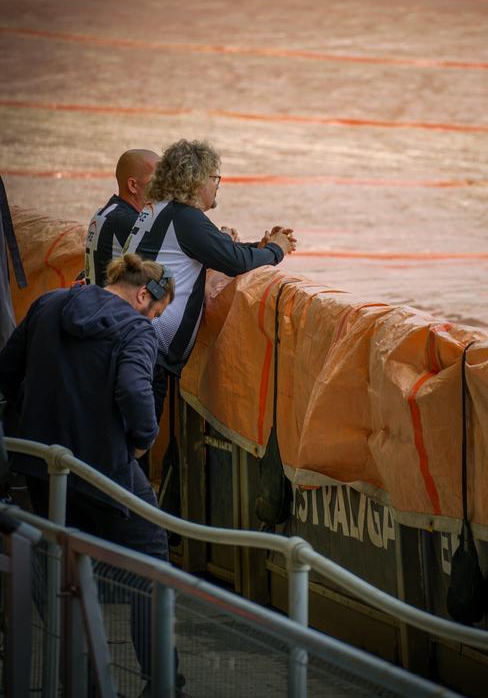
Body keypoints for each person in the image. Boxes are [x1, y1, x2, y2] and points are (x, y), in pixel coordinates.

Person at [0, 253, 180, 692]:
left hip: (44, 466)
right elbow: (135, 395)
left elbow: (7, 371)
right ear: (142, 295)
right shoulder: (136, 329)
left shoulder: (48, 304)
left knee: (66, 567)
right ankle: (163, 684)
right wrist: (141, 442)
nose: (154, 320)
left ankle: (83, 678)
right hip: (106, 471)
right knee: (150, 560)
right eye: (157, 312)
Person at [124, 139, 296, 386]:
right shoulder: (184, 218)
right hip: (145, 350)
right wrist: (276, 249)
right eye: (215, 178)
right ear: (195, 180)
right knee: (136, 426)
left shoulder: (162, 210)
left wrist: (259, 249)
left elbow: (219, 250)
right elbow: (235, 261)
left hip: (135, 340)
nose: (217, 186)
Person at [85, 149, 159, 286]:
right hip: (110, 305)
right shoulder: (128, 222)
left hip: (96, 300)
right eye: (156, 180)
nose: (163, 187)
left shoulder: (106, 212)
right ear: (133, 185)